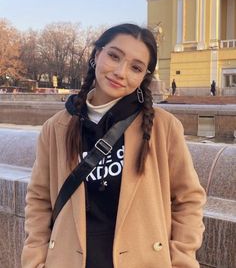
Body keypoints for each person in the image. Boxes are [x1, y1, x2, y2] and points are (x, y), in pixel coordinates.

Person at [22, 23, 206, 268]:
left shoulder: (163, 127)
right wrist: (35, 260)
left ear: (143, 78)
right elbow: (39, 200)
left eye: (136, 67)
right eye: (114, 56)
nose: (121, 72)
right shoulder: (56, 128)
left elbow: (188, 200)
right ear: (97, 54)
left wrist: (181, 260)